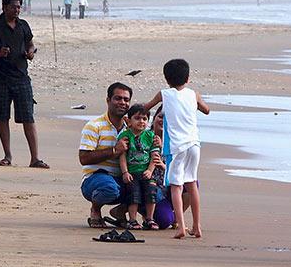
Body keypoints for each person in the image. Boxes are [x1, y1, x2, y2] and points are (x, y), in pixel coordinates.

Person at [0, 0, 48, 169]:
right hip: (0, 78)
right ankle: (7, 156)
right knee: (2, 117)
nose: (17, 10)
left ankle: (35, 158)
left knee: (28, 117)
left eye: (19, 7)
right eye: (13, 7)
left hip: (21, 77)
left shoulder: (23, 25)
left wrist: (30, 52)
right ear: (4, 7)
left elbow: (31, 44)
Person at [145, 59, 210, 239]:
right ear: (188, 78)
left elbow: (146, 107)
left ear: (166, 79)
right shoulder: (193, 94)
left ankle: (181, 226)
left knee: (176, 186)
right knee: (192, 184)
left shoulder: (164, 94)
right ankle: (197, 226)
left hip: (176, 146)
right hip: (194, 144)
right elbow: (206, 110)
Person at [79, 82, 132, 228]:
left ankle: (120, 211)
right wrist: (114, 151)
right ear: (108, 100)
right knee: (110, 188)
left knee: (152, 191)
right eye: (118, 98)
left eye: (126, 100)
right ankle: (95, 209)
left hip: (123, 178)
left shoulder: (132, 128)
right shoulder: (94, 126)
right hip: (96, 179)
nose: (122, 103)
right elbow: (83, 158)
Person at [117, 104, 161, 230]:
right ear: (128, 121)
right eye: (137, 118)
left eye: (144, 119)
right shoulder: (125, 136)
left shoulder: (150, 136)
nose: (141, 121)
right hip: (132, 173)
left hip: (146, 172)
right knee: (133, 195)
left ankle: (149, 219)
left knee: (151, 194)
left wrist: (150, 170)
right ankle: (132, 220)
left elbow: (155, 156)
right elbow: (122, 156)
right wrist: (125, 172)